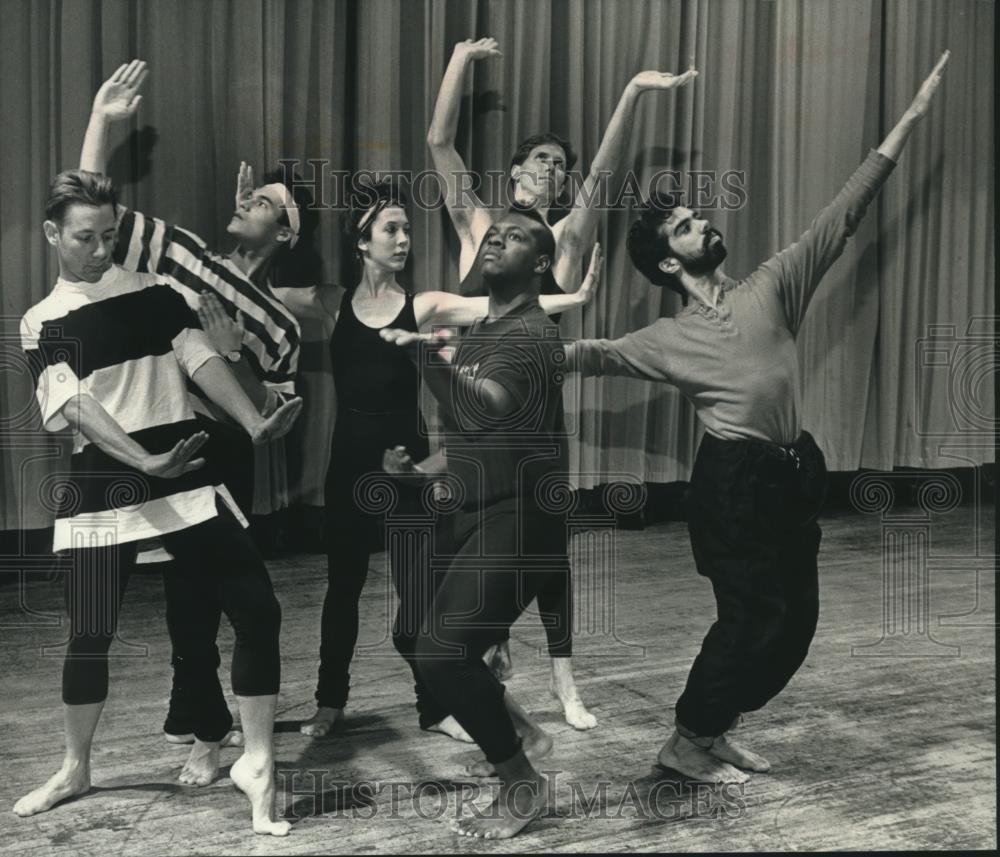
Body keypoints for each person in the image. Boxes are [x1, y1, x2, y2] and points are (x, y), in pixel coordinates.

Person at [564, 53, 950, 783]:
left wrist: (910, 119)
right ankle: (686, 738)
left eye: (696, 215)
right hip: (732, 486)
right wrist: (493, 346)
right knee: (749, 620)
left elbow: (842, 215)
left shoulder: (772, 286)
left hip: (790, 472)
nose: (702, 221)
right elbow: (588, 354)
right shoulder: (667, 339)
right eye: (685, 224)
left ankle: (713, 727)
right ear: (668, 263)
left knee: (794, 625)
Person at [14, 169, 303, 836]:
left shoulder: (161, 291)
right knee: (89, 635)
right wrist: (140, 459)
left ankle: (257, 760)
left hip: (185, 470)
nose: (99, 248)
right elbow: (73, 402)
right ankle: (75, 765)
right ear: (53, 234)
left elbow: (202, 362)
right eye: (85, 237)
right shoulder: (41, 321)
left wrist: (256, 420)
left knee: (258, 608)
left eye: (110, 235)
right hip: (107, 481)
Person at [427, 37, 697, 726]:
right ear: (517, 170)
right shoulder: (482, 228)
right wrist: (460, 56)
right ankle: (477, 669)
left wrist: (633, 93)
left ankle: (565, 683)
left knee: (549, 556)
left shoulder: (566, 244)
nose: (555, 169)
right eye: (543, 159)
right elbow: (438, 141)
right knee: (460, 549)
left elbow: (602, 174)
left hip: (537, 428)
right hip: (468, 422)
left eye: (560, 165)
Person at [280, 180, 598, 739]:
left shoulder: (421, 304)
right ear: (363, 241)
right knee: (343, 586)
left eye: (407, 229)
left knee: (420, 590)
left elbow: (493, 302)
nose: (403, 239)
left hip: (409, 465)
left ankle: (437, 708)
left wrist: (573, 299)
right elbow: (268, 288)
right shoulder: (331, 304)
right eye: (391, 230)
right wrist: (287, 229)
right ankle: (330, 702)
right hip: (350, 461)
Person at [77, 61, 314, 771]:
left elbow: (270, 419)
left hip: (221, 453)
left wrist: (234, 354)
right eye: (253, 194)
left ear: (286, 231)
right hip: (149, 430)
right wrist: (102, 123)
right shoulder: (177, 249)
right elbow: (90, 216)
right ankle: (202, 722)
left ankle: (215, 734)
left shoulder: (279, 324)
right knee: (140, 609)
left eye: (267, 201)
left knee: (201, 596)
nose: (248, 201)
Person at [380, 205, 597, 839]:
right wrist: (420, 471)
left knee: (443, 654)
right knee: (415, 636)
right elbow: (475, 436)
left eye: (519, 237)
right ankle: (519, 727)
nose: (498, 239)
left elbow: (491, 406)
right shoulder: (482, 334)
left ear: (540, 264)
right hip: (473, 508)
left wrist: (427, 364)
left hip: (522, 517)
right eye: (494, 234)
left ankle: (521, 782)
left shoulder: (533, 335)